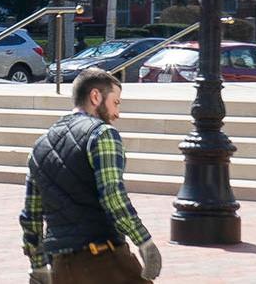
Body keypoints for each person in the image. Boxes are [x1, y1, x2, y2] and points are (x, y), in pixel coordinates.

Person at [20, 68, 163, 284]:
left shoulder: (40, 146)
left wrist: (38, 266)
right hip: (103, 257)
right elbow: (113, 196)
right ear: (96, 96)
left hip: (61, 266)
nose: (117, 113)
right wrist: (145, 243)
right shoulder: (102, 134)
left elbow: (31, 215)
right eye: (116, 102)